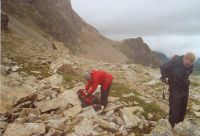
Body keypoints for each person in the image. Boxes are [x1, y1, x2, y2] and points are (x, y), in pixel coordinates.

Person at [160, 52, 195, 128]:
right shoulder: (175, 61)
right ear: (184, 58)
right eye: (186, 64)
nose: (188, 66)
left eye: (189, 64)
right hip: (175, 86)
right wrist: (166, 77)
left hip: (185, 87)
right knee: (175, 107)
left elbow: (188, 73)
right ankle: (172, 124)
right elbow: (163, 67)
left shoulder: (190, 66)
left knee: (183, 108)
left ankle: (179, 124)